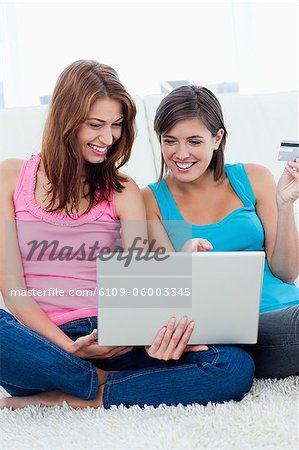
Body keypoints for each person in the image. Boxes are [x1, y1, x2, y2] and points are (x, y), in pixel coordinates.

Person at [0, 62, 254, 410]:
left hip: (115, 340)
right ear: (65, 119)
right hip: (43, 344)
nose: (108, 138)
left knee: (234, 366)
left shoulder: (122, 190)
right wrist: (68, 347)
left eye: (116, 126)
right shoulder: (12, 176)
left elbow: (142, 290)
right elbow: (12, 286)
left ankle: (79, 396)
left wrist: (151, 336)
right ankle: (97, 382)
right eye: (96, 125)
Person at [143, 85, 299, 379]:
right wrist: (181, 262)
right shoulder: (151, 200)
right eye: (170, 141)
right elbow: (162, 298)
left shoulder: (253, 178)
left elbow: (287, 272)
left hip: (286, 312)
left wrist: (284, 204)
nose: (181, 153)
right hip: (228, 332)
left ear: (217, 139)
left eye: (194, 141)